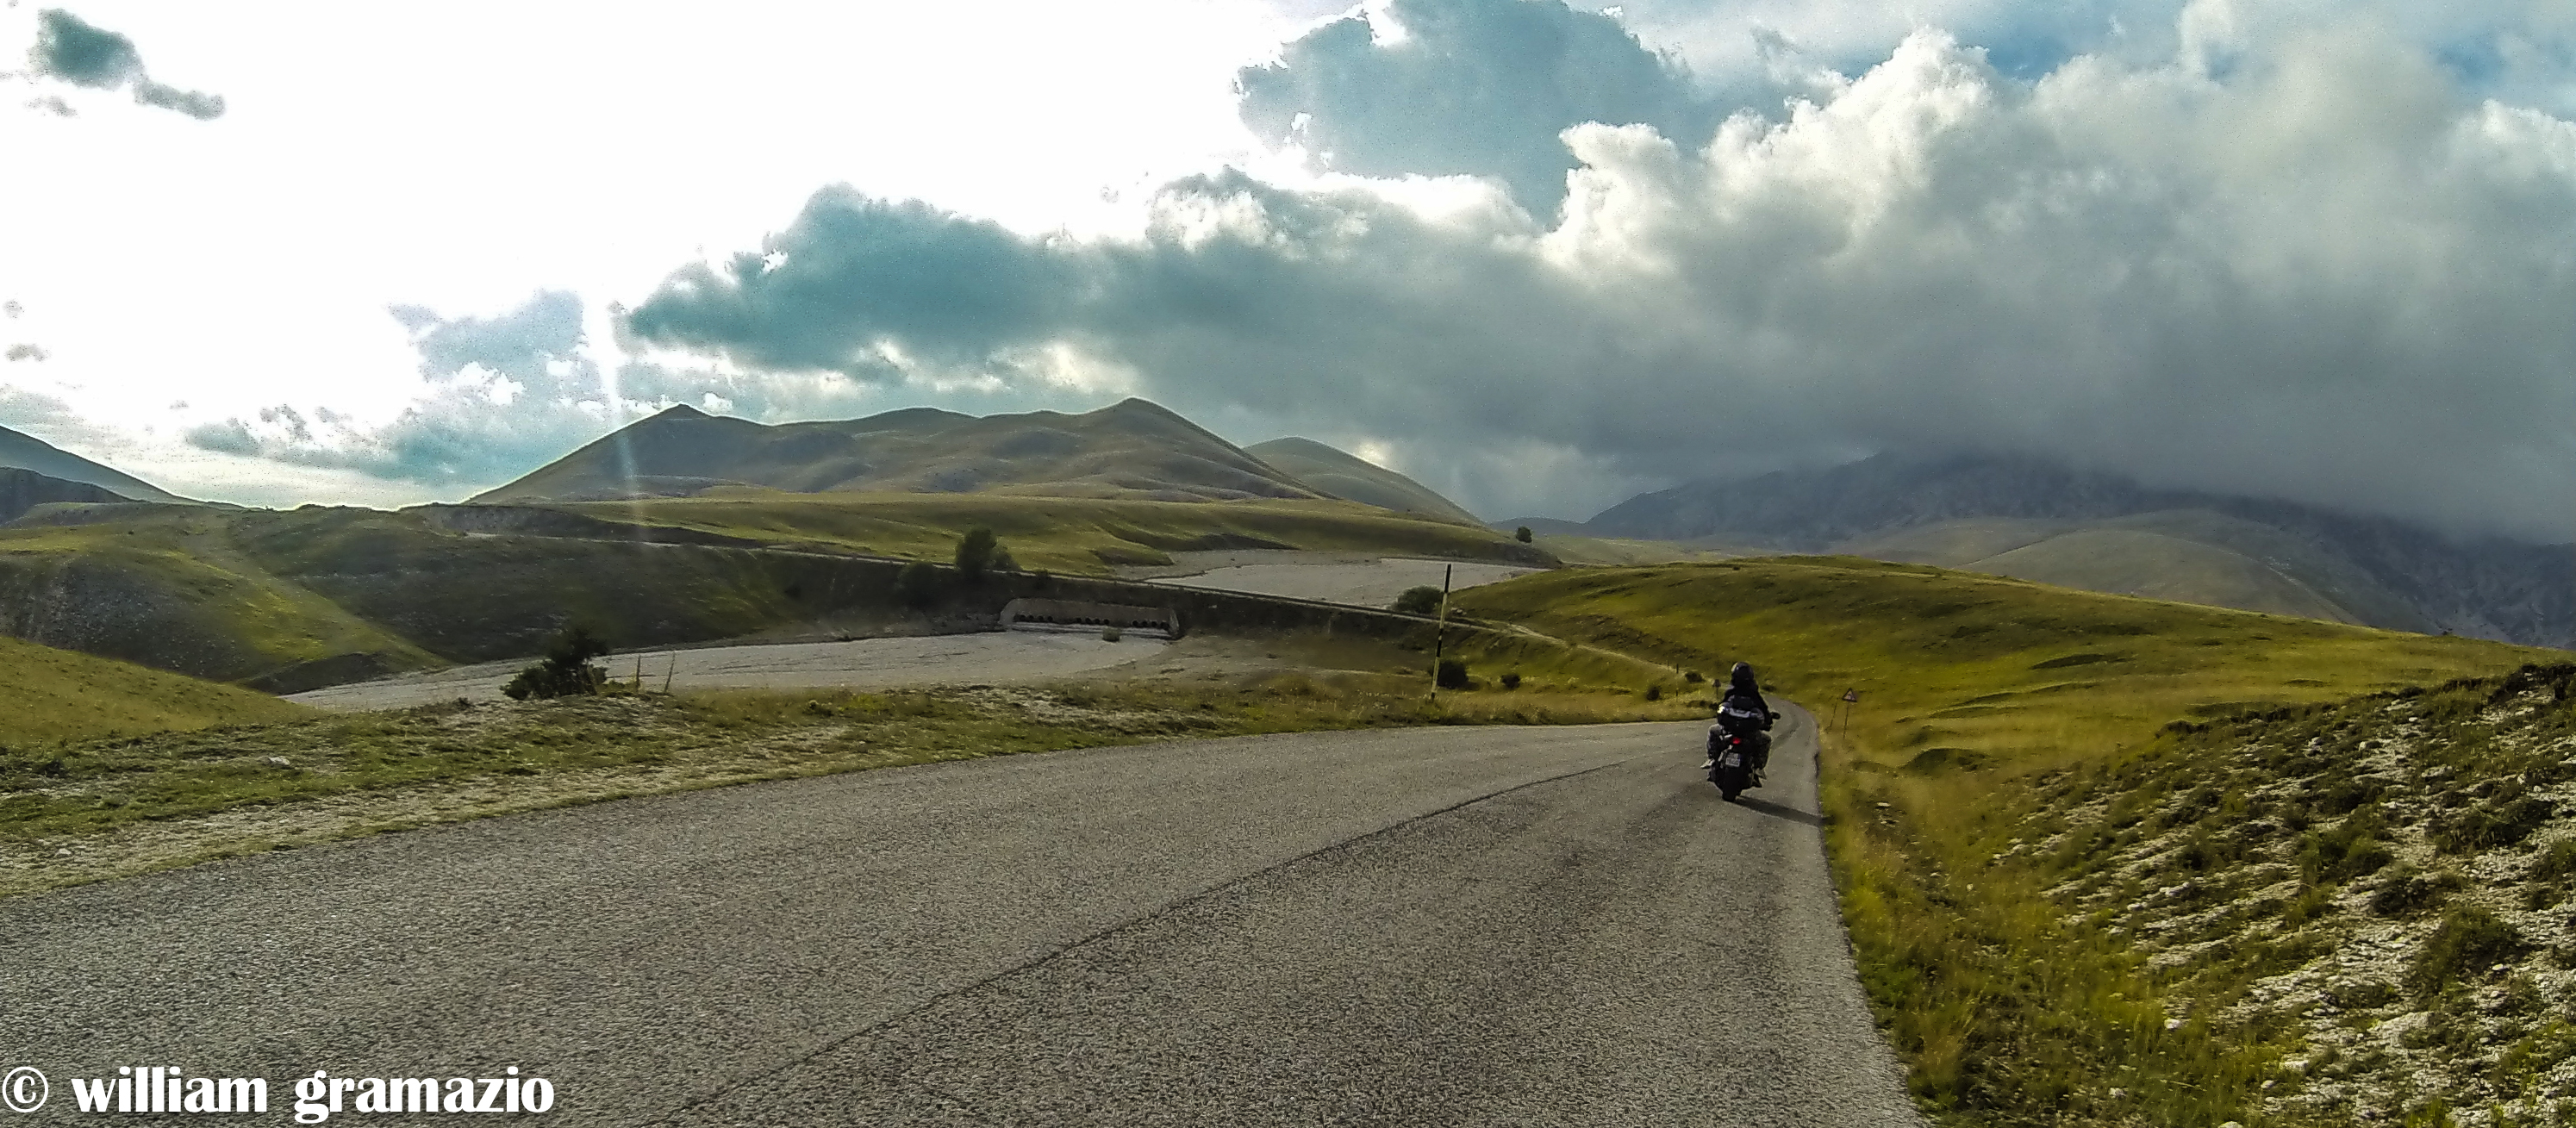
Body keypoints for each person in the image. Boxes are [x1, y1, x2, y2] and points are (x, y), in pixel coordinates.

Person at [1703, 662, 1778, 783]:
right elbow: (1763, 710)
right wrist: (1768, 721)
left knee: (1713, 731)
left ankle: (1712, 758)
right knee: (1766, 741)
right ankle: (1758, 768)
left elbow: (1722, 705)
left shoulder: (1731, 691)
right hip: (1746, 733)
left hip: (1730, 730)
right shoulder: (1753, 694)